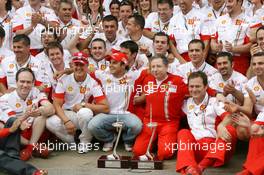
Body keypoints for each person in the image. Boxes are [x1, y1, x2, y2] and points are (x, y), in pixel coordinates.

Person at [46, 51, 109, 153]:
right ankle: (71, 142)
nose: (79, 67)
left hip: (84, 115)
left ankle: (85, 142)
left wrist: (84, 105)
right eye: (76, 64)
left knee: (85, 112)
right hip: (67, 113)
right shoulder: (64, 80)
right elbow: (56, 104)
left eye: (82, 65)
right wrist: (66, 121)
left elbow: (105, 107)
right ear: (72, 65)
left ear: (87, 65)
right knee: (50, 122)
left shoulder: (93, 82)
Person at [176, 71, 237, 175]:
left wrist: (222, 125)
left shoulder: (214, 101)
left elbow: (229, 117)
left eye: (198, 86)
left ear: (205, 87)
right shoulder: (186, 103)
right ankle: (189, 167)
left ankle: (200, 167)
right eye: (191, 86)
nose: (194, 90)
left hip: (217, 150)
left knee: (230, 129)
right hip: (197, 149)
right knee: (183, 132)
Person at [133, 55, 189, 160]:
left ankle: (166, 143)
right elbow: (134, 89)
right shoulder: (148, 79)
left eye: (158, 66)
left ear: (167, 67)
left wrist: (216, 94)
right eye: (152, 67)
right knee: (138, 152)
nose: (155, 69)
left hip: (169, 123)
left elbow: (196, 89)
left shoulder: (178, 81)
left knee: (165, 154)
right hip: (149, 122)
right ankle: (154, 144)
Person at [88, 52, 143, 152]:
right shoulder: (103, 75)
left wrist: (146, 55)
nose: (111, 65)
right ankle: (110, 139)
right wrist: (67, 71)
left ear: (123, 65)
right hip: (106, 114)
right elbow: (85, 70)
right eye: (110, 63)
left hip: (124, 114)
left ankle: (128, 140)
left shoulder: (132, 76)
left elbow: (150, 70)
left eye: (114, 63)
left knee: (137, 125)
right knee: (92, 126)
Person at [0, 67, 55, 161]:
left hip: (33, 131)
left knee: (42, 115)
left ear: (33, 83)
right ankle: (34, 147)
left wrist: (40, 111)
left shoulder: (36, 92)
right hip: (16, 134)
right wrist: (24, 118)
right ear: (16, 82)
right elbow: (13, 123)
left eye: (28, 82)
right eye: (22, 81)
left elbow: (51, 109)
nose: (25, 85)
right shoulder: (5, 99)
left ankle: (29, 149)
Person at [210, 0, 253, 75]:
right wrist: (216, 47)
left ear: (239, 2)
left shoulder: (249, 21)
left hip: (239, 62)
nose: (227, 4)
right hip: (220, 61)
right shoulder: (219, 20)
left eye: (230, 1)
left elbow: (251, 46)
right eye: (226, 2)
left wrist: (233, 49)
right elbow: (212, 41)